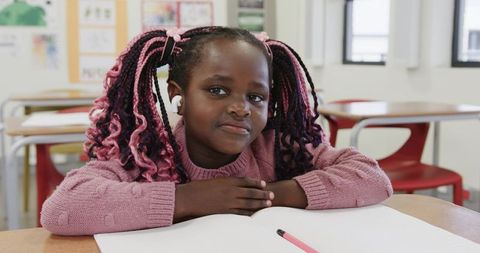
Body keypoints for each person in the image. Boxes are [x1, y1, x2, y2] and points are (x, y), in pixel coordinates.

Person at [41, 26, 393, 235]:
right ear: (178, 95)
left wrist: (272, 195)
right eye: (218, 90)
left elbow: (373, 179)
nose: (241, 107)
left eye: (256, 96)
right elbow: (62, 209)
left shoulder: (283, 147)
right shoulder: (144, 155)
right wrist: (191, 198)